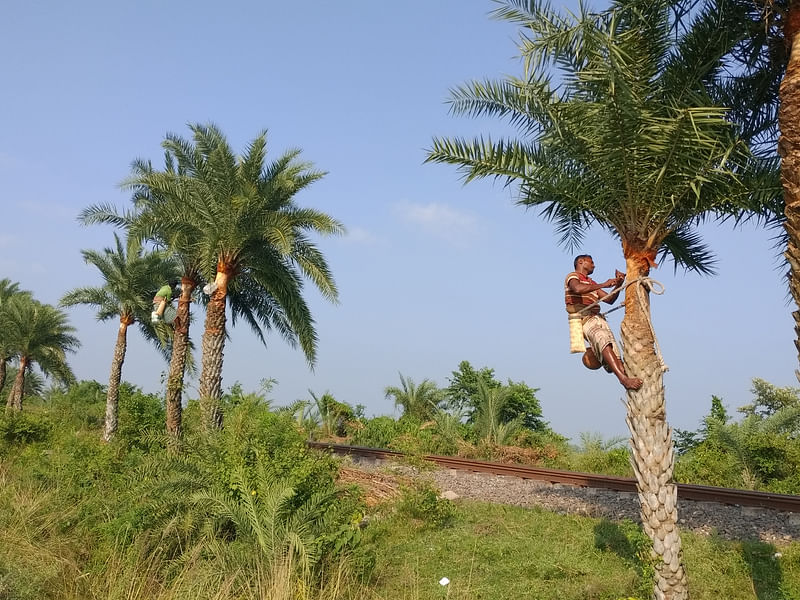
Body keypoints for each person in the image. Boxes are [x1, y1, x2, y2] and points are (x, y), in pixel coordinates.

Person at [565, 255, 642, 390]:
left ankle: (628, 377)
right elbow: (577, 288)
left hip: (598, 318)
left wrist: (619, 283)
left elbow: (609, 299)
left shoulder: (591, 283)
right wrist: (604, 284)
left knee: (615, 354)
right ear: (581, 262)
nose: (594, 265)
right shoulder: (573, 276)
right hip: (585, 319)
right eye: (592, 262)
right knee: (603, 340)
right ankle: (623, 380)